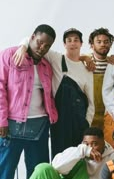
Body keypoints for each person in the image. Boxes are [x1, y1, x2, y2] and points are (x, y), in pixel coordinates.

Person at [0, 24, 57, 179]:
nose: (42, 47)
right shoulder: (9, 55)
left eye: (47, 46)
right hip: (12, 124)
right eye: (40, 42)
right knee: (4, 170)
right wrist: (1, 120)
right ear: (31, 37)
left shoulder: (45, 65)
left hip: (39, 125)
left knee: (37, 170)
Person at [14, 28, 94, 158]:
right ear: (64, 44)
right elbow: (33, 40)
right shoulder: (56, 58)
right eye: (69, 40)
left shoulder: (87, 69)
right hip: (59, 120)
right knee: (59, 159)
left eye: (76, 40)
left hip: (79, 122)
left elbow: (91, 102)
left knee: (79, 159)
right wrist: (22, 47)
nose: (72, 43)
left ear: (81, 44)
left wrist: (87, 124)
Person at [87, 27, 114, 129]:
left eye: (106, 42)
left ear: (110, 44)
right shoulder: (85, 62)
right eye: (99, 42)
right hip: (89, 115)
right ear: (92, 45)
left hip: (109, 115)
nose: (103, 44)